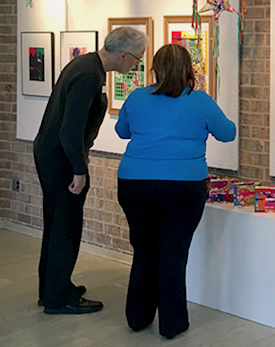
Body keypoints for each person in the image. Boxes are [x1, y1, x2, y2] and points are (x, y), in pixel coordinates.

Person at [115, 43, 236, 340]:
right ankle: (172, 324)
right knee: (173, 253)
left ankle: (137, 317)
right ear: (188, 70)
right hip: (183, 187)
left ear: (155, 69)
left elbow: (122, 131)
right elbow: (228, 133)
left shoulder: (137, 96)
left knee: (144, 250)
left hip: (135, 183)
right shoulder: (200, 101)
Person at [34, 26, 149, 314]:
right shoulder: (89, 75)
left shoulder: (85, 64)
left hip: (51, 154)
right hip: (60, 160)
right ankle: (58, 298)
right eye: (137, 59)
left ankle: (51, 288)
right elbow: (70, 129)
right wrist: (78, 168)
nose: (137, 65)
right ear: (123, 55)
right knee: (66, 226)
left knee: (56, 223)